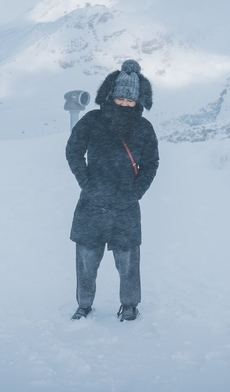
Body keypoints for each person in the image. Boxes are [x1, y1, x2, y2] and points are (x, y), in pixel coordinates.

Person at [65, 59, 159, 321]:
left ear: (139, 100)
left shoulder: (144, 128)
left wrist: (136, 192)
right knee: (86, 261)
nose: (125, 104)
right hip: (91, 204)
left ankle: (129, 305)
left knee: (128, 263)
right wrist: (86, 182)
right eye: (120, 98)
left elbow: (151, 163)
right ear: (110, 95)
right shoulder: (92, 121)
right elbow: (73, 151)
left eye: (130, 100)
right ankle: (84, 305)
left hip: (126, 207)